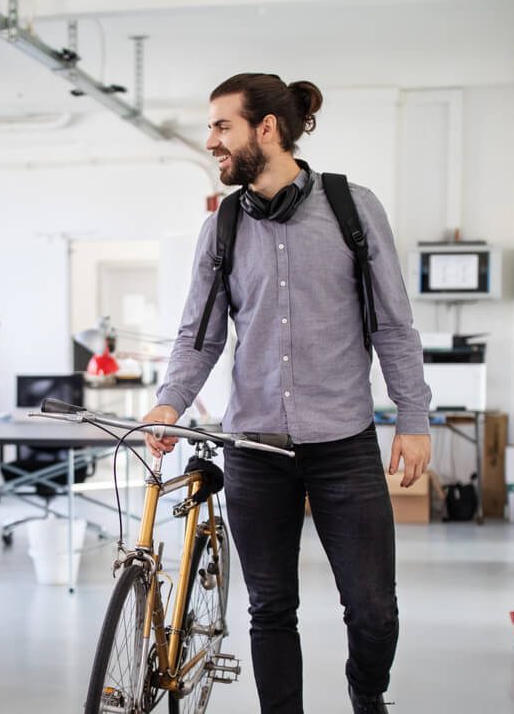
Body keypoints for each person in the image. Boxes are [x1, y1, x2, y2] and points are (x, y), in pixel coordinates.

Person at [145, 73, 432, 713]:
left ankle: (367, 690)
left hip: (343, 444)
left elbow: (392, 322)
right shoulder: (220, 230)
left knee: (373, 608)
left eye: (223, 126)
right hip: (252, 446)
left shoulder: (353, 208)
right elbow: (200, 334)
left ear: (266, 129)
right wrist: (171, 400)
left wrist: (413, 418)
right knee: (271, 607)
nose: (211, 140)